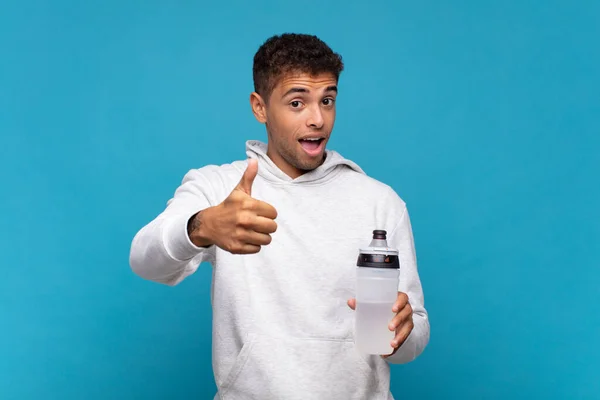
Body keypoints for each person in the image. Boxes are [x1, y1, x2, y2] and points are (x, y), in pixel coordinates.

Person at [129, 32, 429, 400]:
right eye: (297, 102)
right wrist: (203, 226)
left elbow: (413, 338)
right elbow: (144, 261)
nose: (318, 119)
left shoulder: (380, 203)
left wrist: (403, 332)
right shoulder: (219, 187)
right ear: (260, 107)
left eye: (328, 100)